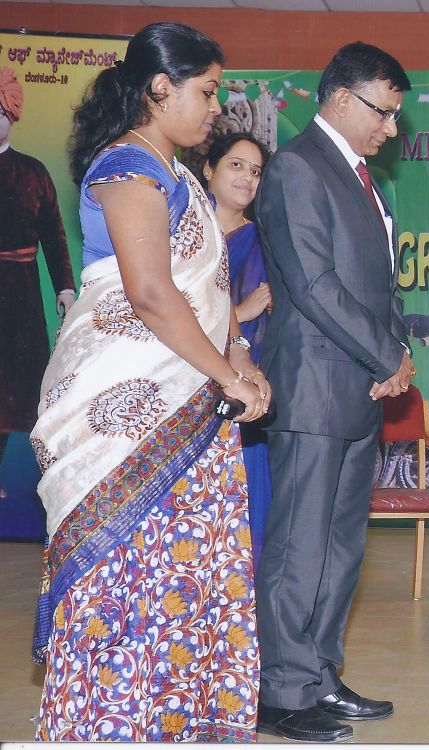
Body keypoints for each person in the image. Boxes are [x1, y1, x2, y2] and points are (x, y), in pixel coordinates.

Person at [29, 22, 270, 741]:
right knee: (129, 575)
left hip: (190, 405)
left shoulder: (180, 178)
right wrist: (229, 376)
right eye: (207, 92)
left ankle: (178, 719)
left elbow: (211, 296)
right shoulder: (126, 170)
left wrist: (243, 363)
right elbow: (153, 294)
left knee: (185, 579)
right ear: (159, 90)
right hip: (123, 419)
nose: (215, 108)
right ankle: (113, 724)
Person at [254, 41, 414, 743]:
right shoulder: (295, 168)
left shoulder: (360, 177)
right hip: (315, 388)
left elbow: (378, 286)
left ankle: (318, 671)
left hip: (362, 389)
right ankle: (281, 692)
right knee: (299, 548)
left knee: (343, 547)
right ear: (341, 99)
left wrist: (398, 351)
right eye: (384, 112)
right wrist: (386, 353)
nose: (392, 129)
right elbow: (315, 288)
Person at [0, 68, 75, 492]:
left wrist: (64, 286)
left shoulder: (33, 171)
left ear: (12, 115)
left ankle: (19, 480)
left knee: (22, 388)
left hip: (22, 295)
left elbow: (55, 234)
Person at [203, 132, 273, 566]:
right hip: (178, 381)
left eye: (256, 171)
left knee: (245, 512)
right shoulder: (177, 229)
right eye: (236, 165)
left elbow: (265, 313)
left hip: (237, 388)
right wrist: (239, 309)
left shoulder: (263, 241)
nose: (247, 177)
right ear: (208, 169)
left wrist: (239, 322)